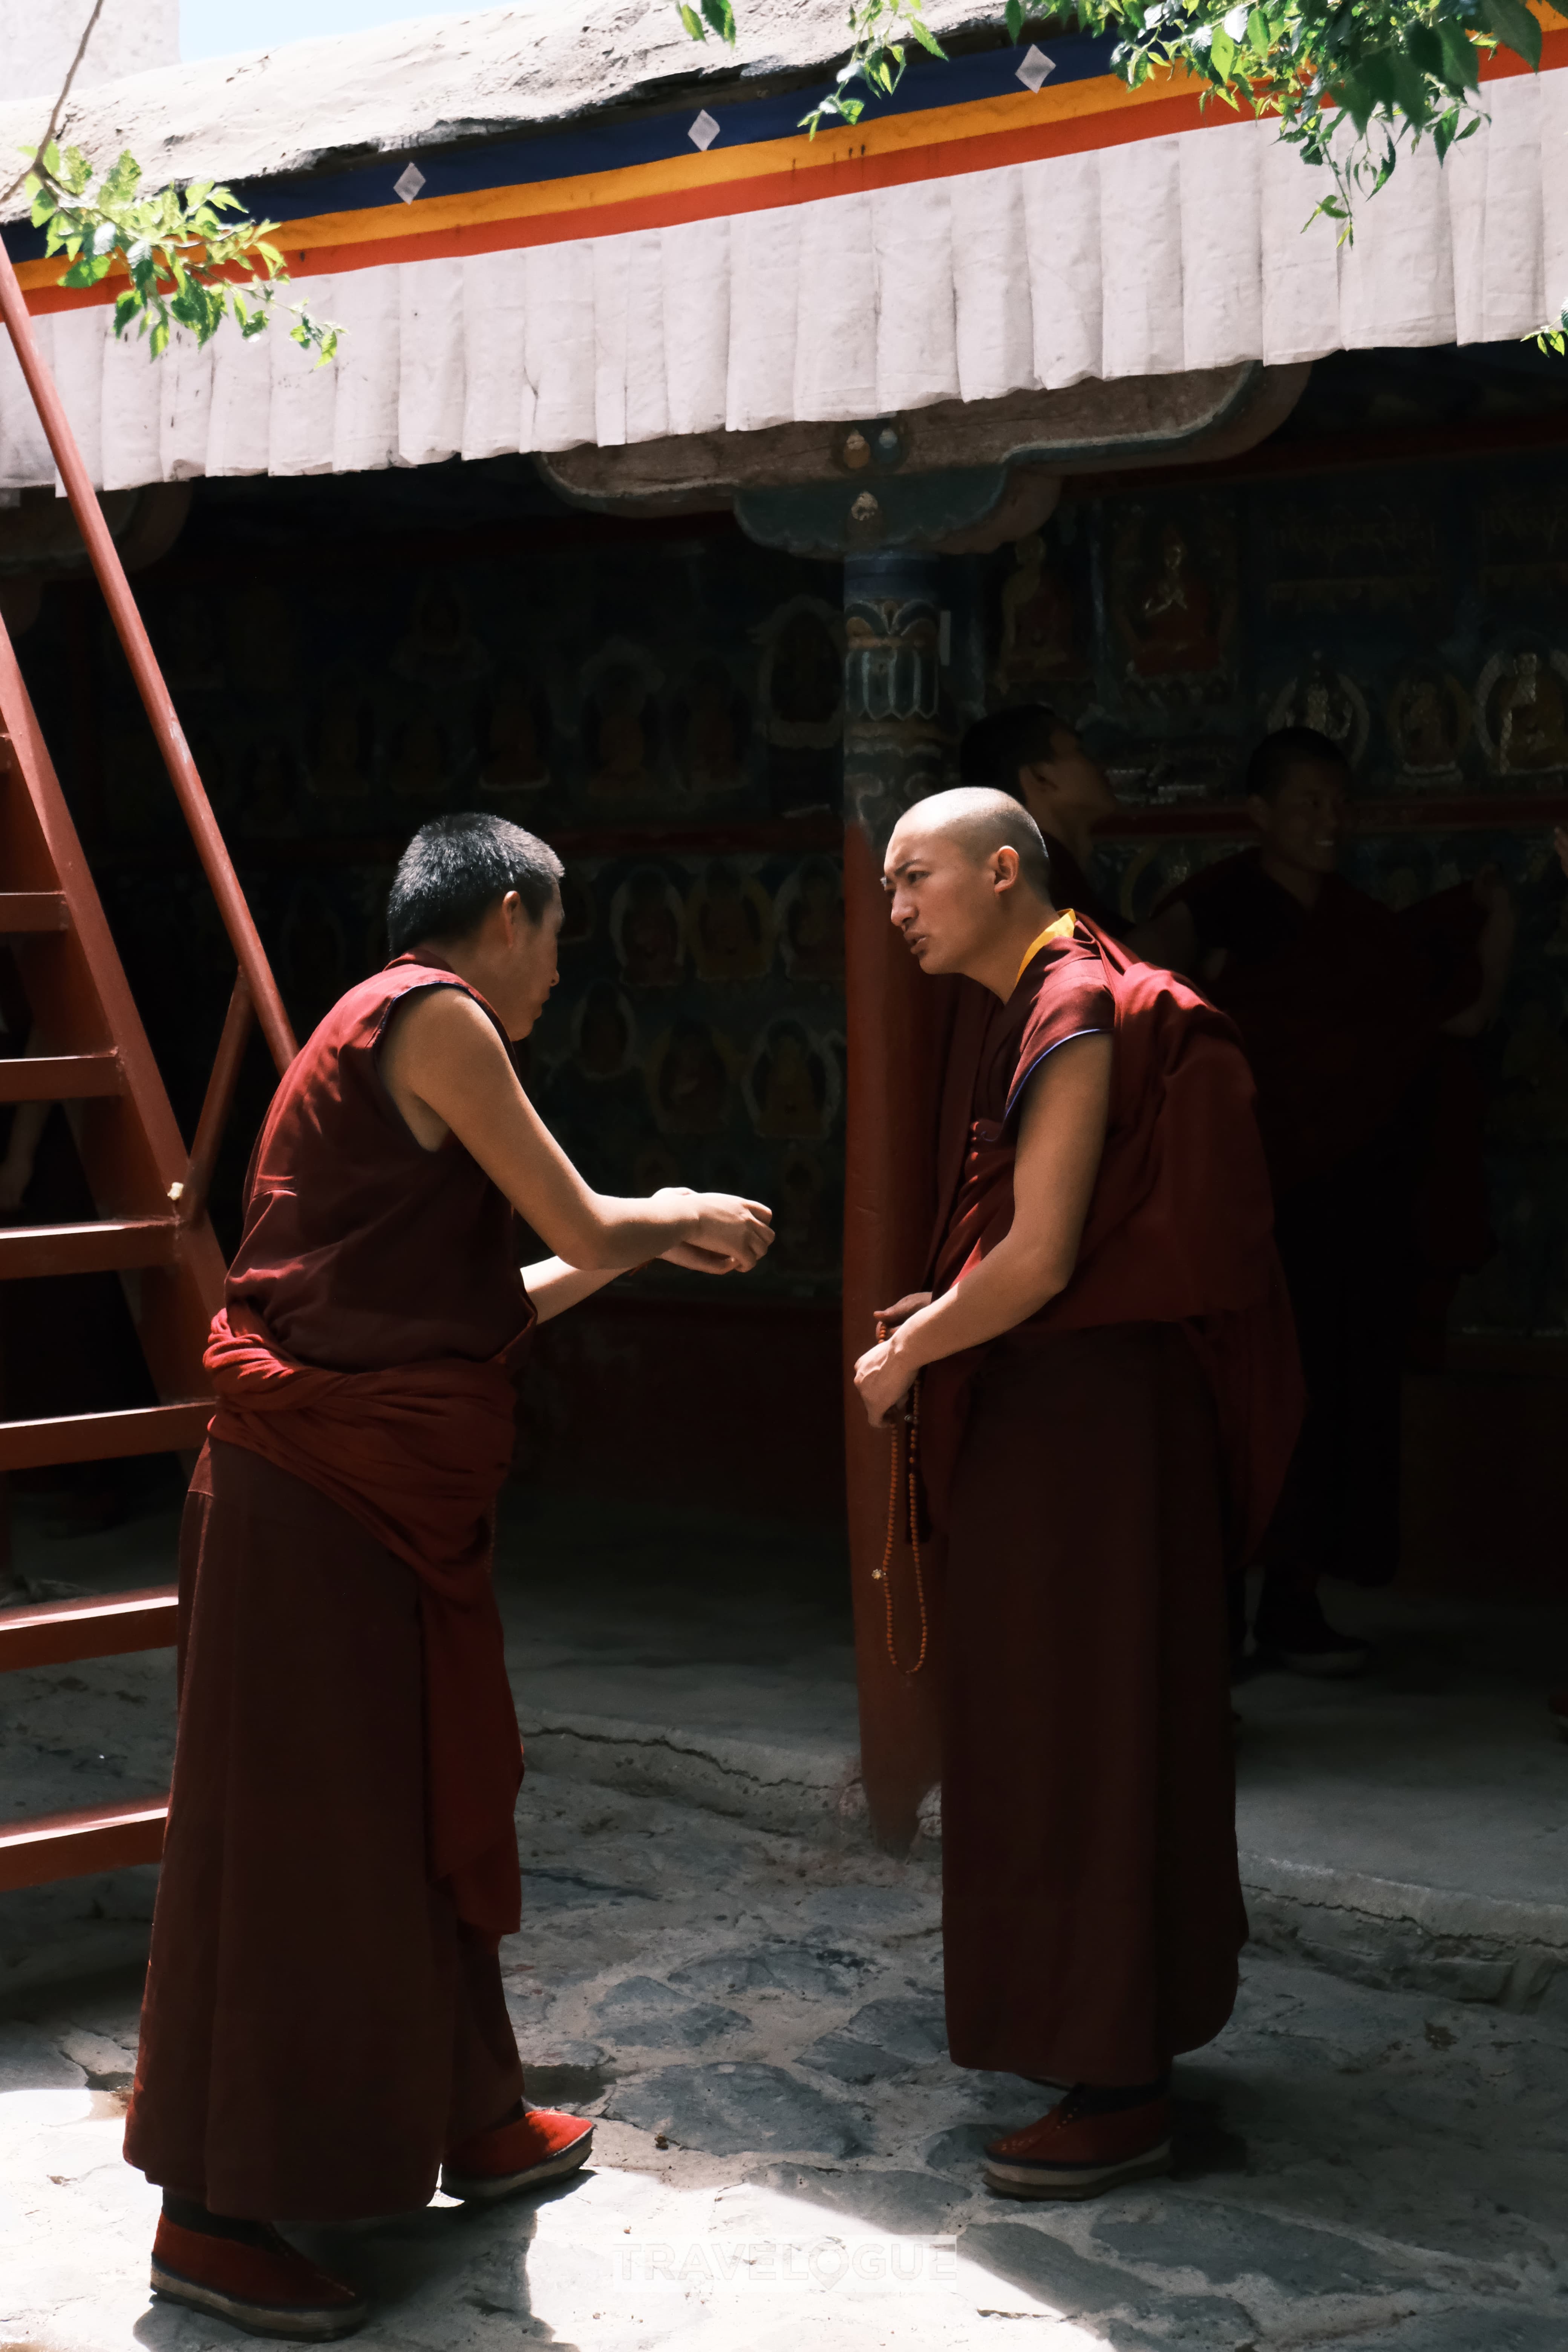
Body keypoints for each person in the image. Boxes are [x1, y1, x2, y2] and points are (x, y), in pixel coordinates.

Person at [123, 813, 773, 2340]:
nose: (561, 969)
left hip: (360, 1495)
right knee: (299, 1848)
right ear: (500, 914)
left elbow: (497, 1302)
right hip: (312, 1506)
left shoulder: (387, 1037)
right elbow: (581, 1224)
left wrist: (636, 1242)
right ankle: (209, 2217)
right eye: (557, 931)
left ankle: (472, 2115)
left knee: (422, 1804)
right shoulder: (435, 1016)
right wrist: (671, 1216)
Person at [853, 788, 1299, 2202]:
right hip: (1076, 1427)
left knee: (1086, 1728)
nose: (895, 908)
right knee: (1064, 1722)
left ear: (1003, 872)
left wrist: (907, 1353)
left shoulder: (1079, 1007)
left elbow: (1042, 1259)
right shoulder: (1035, 1003)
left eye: (915, 878)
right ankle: (1109, 2035)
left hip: (1095, 1441)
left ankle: (1118, 2082)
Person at [1133, 728, 1513, 1674]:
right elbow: (1138, 978)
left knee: (1333, 1397)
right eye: (1305, 802)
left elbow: (1456, 1015)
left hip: (1350, 1203)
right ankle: (1214, 1617)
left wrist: (1497, 925)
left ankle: (1295, 1603)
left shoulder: (1361, 925)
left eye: (1338, 802)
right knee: (1239, 1398)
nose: (1327, 820)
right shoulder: (1221, 901)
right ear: (1259, 813)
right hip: (1252, 1199)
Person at [958, 703, 1122, 934]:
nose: (1100, 767)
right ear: (1040, 777)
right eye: (1080, 752)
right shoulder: (1024, 884)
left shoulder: (1050, 876)